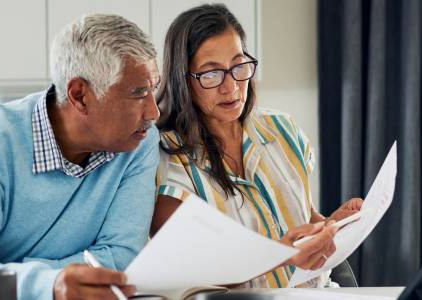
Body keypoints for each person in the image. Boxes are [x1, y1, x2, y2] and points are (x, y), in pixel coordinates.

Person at [0, 14, 161, 300]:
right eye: (138, 93)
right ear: (80, 95)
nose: (154, 113)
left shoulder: (138, 143)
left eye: (153, 89)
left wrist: (4, 277)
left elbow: (121, 259)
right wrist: (48, 285)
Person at [152, 4, 363, 288]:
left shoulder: (282, 129)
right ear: (183, 79)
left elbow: (304, 215)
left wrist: (330, 227)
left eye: (239, 66)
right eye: (211, 74)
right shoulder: (164, 159)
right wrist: (281, 255)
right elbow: (190, 265)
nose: (231, 87)